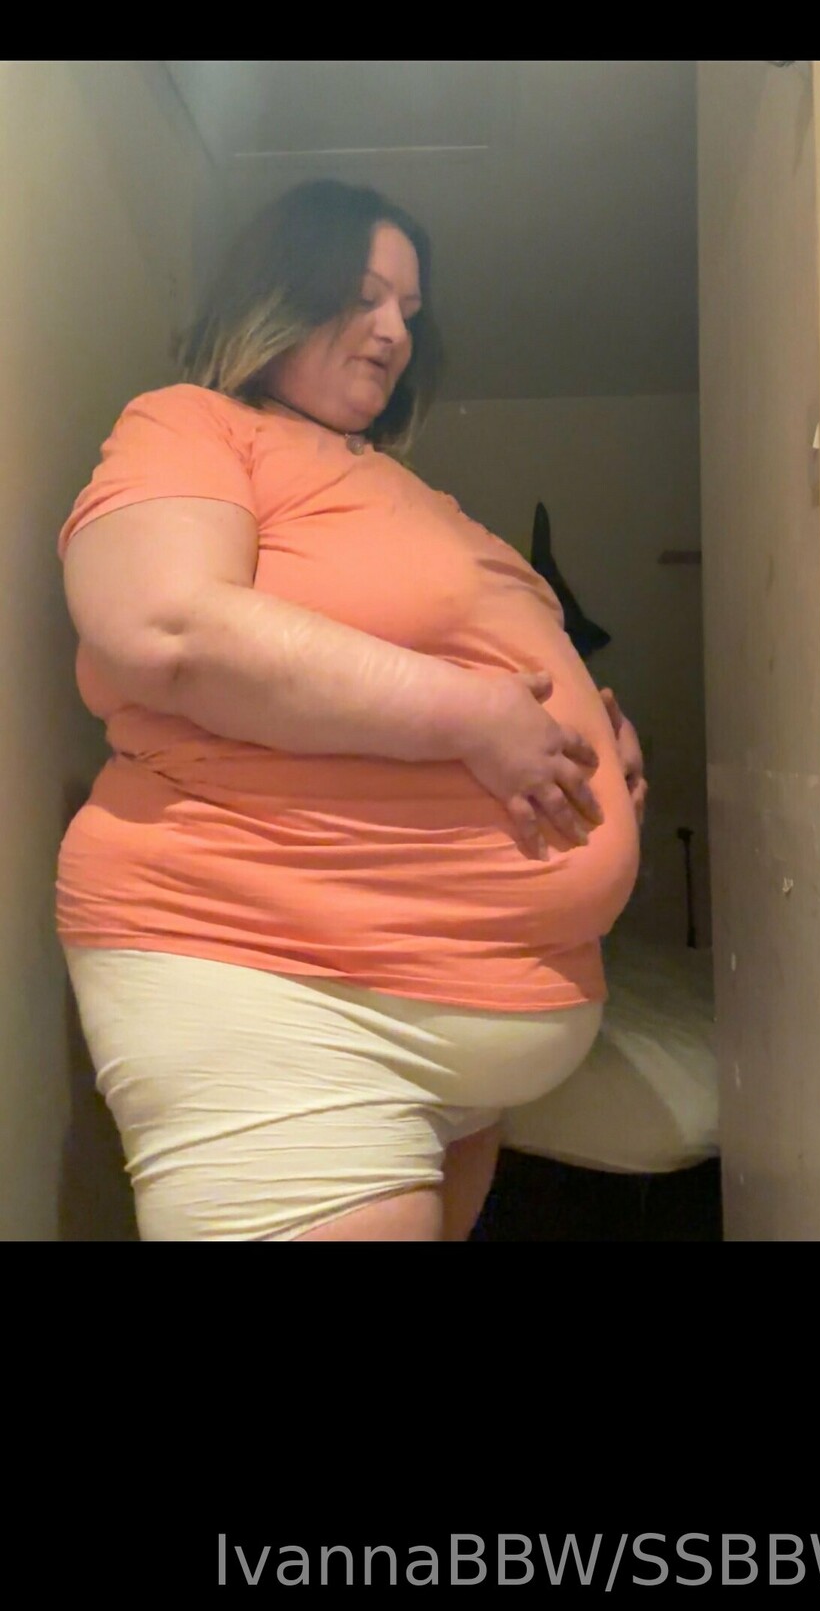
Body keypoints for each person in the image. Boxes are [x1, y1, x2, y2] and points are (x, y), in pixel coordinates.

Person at [57, 178, 646, 1242]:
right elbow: (164, 627)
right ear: (278, 291)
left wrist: (586, 758)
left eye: (409, 312)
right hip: (282, 983)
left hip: (448, 1019)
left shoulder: (399, 486)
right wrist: (477, 718)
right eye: (365, 296)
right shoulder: (191, 424)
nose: (395, 333)